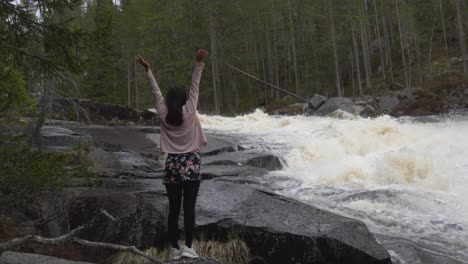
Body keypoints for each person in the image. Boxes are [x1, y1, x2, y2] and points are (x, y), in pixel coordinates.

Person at [136, 49, 208, 260]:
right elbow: (196, 85)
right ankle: (189, 247)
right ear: (185, 100)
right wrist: (198, 63)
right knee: (190, 209)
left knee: (174, 210)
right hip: (191, 164)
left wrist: (148, 71)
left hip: (172, 165)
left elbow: (155, 92)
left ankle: (175, 249)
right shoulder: (190, 110)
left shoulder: (163, 113)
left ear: (168, 101)